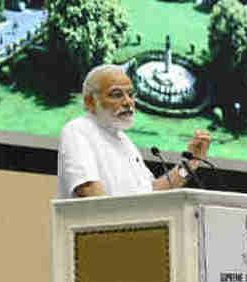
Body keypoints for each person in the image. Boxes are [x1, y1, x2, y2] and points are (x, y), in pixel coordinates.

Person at [57, 64, 211, 198]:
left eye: (130, 94)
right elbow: (90, 191)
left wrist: (190, 164)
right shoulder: (78, 130)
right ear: (90, 102)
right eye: (117, 95)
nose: (128, 102)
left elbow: (152, 192)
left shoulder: (125, 141)